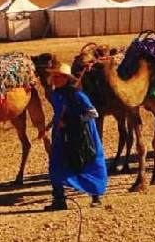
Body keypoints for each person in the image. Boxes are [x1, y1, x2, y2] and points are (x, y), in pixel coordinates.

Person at [44, 63, 107, 211]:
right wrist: (49, 126)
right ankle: (59, 200)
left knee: (89, 162)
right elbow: (58, 113)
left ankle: (95, 196)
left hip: (82, 134)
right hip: (61, 134)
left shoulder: (78, 95)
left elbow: (92, 113)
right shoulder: (55, 95)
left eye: (58, 77)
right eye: (54, 77)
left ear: (66, 78)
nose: (55, 80)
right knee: (56, 163)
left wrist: (70, 121)